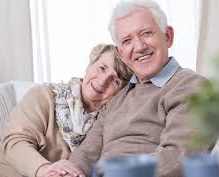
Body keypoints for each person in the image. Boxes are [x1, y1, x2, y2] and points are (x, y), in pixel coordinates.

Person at [53, 1, 208, 177]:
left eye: (147, 33)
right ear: (120, 54)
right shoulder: (116, 99)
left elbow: (179, 157)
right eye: (127, 40)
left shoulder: (192, 86)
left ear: (168, 36)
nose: (140, 47)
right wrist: (65, 173)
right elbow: (84, 157)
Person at [0, 43, 133, 177]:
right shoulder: (44, 96)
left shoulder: (108, 123)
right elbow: (14, 142)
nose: (102, 80)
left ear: (121, 91)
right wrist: (44, 169)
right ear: (89, 65)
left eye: (116, 80)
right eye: (102, 68)